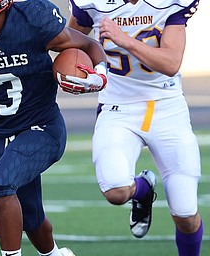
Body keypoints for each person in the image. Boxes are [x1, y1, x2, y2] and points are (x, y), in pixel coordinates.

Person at [0, 0, 107, 255]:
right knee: (31, 218)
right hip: (1, 132)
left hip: (43, 127)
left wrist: (99, 73)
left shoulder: (32, 16)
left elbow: (88, 44)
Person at [68, 0, 203, 255]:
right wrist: (83, 68)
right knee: (116, 190)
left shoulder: (168, 4)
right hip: (118, 105)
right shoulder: (93, 3)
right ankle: (143, 189)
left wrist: (123, 39)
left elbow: (171, 62)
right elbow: (70, 39)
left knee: (185, 213)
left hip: (167, 106)